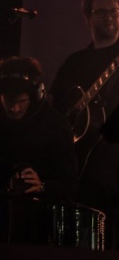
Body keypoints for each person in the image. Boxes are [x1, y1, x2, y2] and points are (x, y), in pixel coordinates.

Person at [49, 0, 119, 248]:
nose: (109, 17)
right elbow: (54, 111)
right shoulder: (74, 64)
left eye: (114, 11)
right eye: (101, 12)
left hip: (116, 173)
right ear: (87, 17)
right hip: (75, 175)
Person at [0, 56, 78, 202]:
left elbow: (70, 185)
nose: (14, 109)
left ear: (35, 95)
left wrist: (42, 186)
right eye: (8, 101)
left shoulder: (56, 125)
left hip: (39, 216)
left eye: (21, 101)